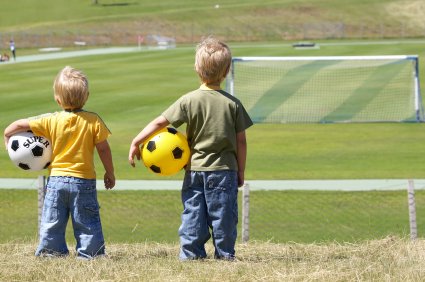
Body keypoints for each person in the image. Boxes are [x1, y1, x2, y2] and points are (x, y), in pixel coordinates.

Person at [128, 37, 253, 260]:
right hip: (225, 171)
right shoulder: (233, 104)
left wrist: (136, 141)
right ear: (226, 72)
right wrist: (241, 170)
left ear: (197, 69)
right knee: (224, 216)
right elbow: (241, 141)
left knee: (193, 213)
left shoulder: (188, 100)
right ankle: (225, 255)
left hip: (194, 171)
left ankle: (190, 255)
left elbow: (159, 123)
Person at [4, 66, 115, 259]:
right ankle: (91, 254)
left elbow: (19, 125)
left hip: (56, 181)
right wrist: (110, 173)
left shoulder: (51, 120)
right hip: (83, 181)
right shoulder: (93, 120)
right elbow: (104, 149)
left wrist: (7, 136)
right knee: (87, 220)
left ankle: (51, 252)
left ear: (58, 99)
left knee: (52, 220)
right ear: (87, 96)